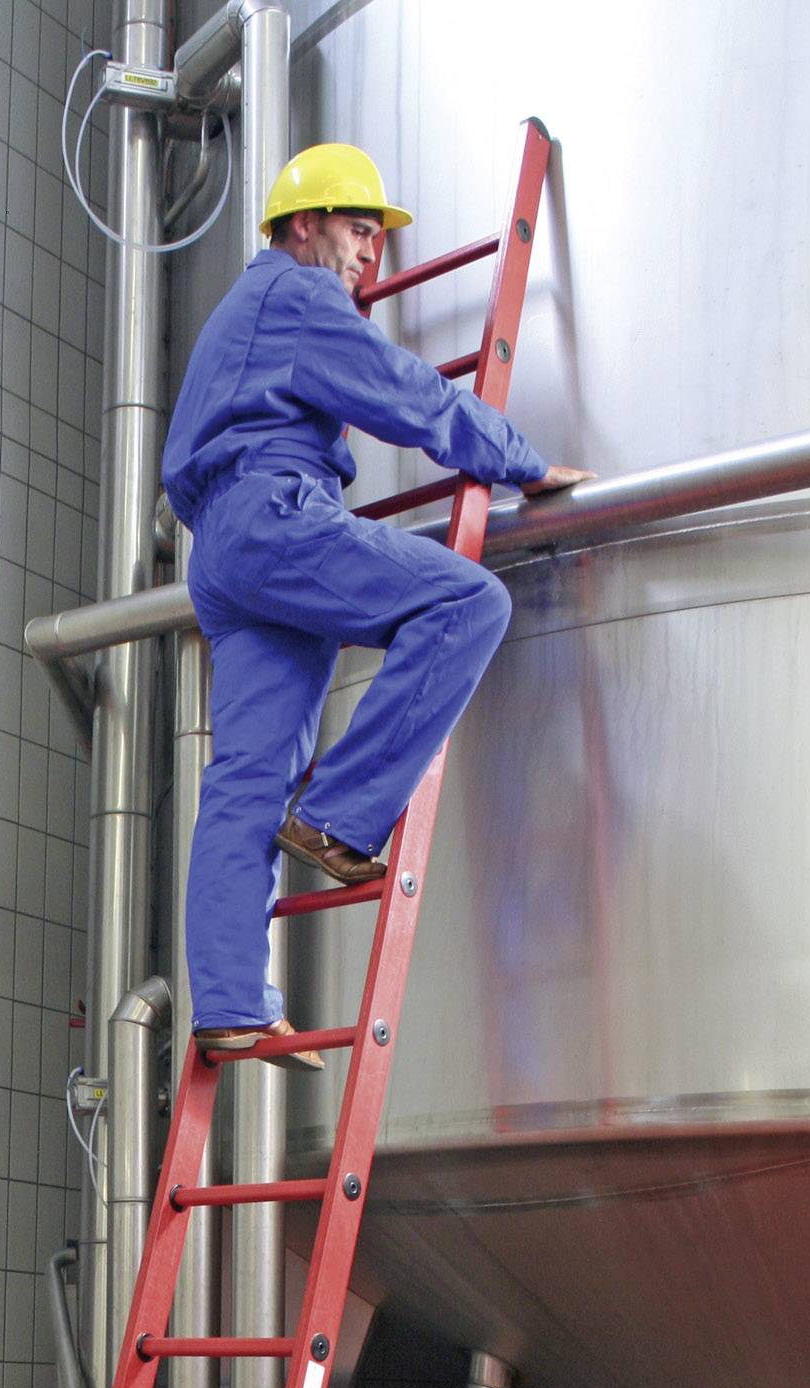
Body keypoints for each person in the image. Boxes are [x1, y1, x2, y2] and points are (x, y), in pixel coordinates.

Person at [163, 143, 591, 1058]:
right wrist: (517, 459)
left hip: (222, 551)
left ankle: (233, 1000)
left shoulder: (238, 314)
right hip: (276, 509)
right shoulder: (296, 294)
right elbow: (401, 393)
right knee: (467, 606)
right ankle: (342, 816)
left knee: (244, 780)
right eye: (359, 230)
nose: (370, 255)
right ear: (304, 224)